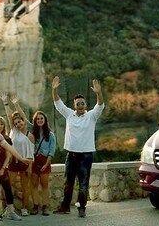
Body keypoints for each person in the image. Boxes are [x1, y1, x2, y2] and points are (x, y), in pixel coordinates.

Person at [52, 76, 105, 217]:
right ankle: (65, 207)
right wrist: (55, 90)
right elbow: (58, 103)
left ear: (86, 104)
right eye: (78, 103)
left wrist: (98, 93)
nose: (80, 105)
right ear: (74, 105)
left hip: (86, 155)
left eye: (82, 103)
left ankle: (82, 208)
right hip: (71, 155)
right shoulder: (69, 115)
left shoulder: (91, 116)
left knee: (83, 183)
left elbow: (100, 105)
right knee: (68, 182)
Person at [2, 111, 34, 217]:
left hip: (25, 162)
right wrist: (6, 103)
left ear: (23, 121)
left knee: (25, 187)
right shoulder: (14, 131)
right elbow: (8, 115)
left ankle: (24, 208)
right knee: (7, 185)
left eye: (19, 122)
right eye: (15, 123)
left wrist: (29, 167)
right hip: (13, 162)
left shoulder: (30, 136)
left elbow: (31, 153)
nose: (18, 125)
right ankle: (8, 208)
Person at [29, 111, 56, 215]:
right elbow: (24, 120)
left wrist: (46, 164)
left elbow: (51, 151)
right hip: (35, 160)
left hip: (45, 161)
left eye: (41, 118)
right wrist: (16, 104)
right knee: (34, 184)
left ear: (45, 120)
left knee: (44, 185)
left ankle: (45, 206)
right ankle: (35, 206)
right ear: (35, 121)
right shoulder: (33, 131)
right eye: (37, 119)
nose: (40, 120)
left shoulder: (50, 135)